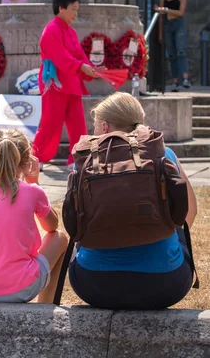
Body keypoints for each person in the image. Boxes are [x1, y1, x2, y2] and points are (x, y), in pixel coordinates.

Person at [69, 92, 197, 310]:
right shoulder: (164, 154)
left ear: (105, 128)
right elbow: (189, 213)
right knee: (175, 225)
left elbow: (73, 219)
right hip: (165, 284)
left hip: (94, 285)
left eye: (95, 125)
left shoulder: (86, 161)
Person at [0, 129, 68, 303]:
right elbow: (51, 226)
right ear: (26, 163)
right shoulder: (32, 192)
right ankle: (46, 305)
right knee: (59, 237)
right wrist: (34, 183)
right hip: (20, 287)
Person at [32, 0, 98, 170]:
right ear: (61, 8)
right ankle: (35, 157)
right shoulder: (51, 30)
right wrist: (81, 67)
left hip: (72, 82)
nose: (76, 13)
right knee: (50, 123)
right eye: (74, 9)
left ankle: (77, 160)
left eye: (77, 10)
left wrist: (89, 70)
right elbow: (60, 57)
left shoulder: (71, 32)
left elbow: (79, 55)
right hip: (55, 83)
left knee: (78, 124)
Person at [155, 0, 191, 92]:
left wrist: (165, 9)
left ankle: (185, 79)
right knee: (171, 54)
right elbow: (160, 17)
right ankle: (175, 81)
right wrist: (160, 33)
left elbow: (181, 12)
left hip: (178, 24)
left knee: (181, 51)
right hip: (167, 25)